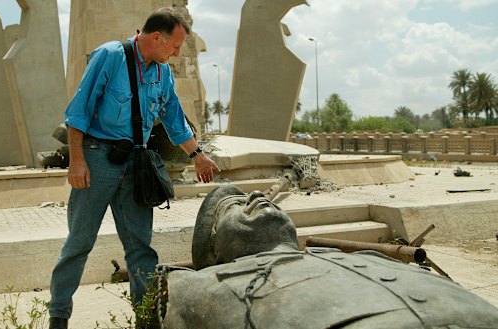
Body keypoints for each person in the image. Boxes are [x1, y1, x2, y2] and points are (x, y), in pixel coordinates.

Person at [48, 8, 220, 329]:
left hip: (137, 165)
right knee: (79, 243)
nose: (177, 53)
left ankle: (145, 319)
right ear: (157, 37)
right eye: (176, 46)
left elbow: (175, 121)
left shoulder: (163, 73)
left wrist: (197, 155)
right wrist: (77, 160)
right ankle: (58, 317)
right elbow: (78, 113)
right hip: (97, 159)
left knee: (141, 248)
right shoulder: (110, 57)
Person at [161, 185, 498, 328]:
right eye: (232, 207)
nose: (256, 195)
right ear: (218, 249)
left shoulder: (343, 254)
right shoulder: (205, 283)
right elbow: (166, 291)